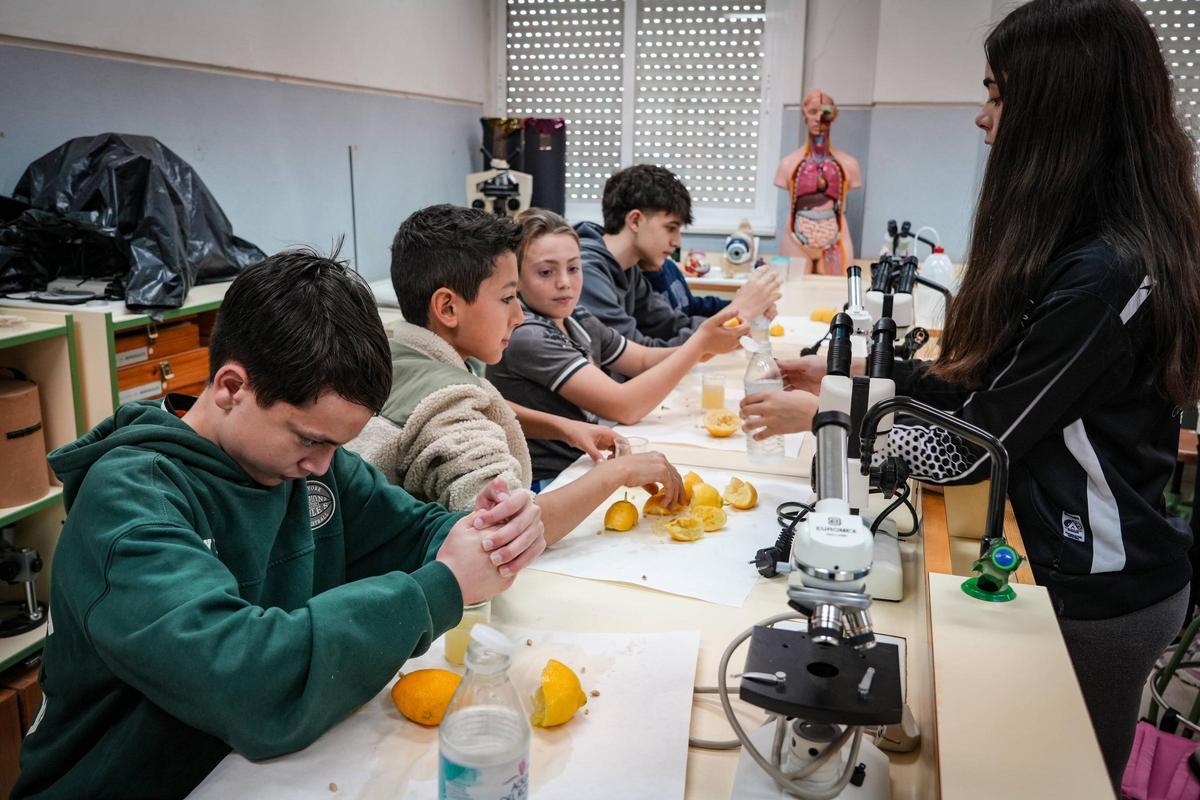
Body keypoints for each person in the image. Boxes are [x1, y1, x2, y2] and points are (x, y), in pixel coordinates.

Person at [740, 0, 1200, 788]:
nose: (982, 119)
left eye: (997, 94)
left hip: (1100, 591)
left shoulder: (1105, 274)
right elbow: (989, 381)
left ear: (1061, 107)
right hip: (1057, 562)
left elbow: (970, 446)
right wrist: (855, 380)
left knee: (1052, 782)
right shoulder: (1080, 248)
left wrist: (833, 418)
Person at [12, 249, 547, 799]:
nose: (323, 463)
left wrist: (489, 531)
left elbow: (415, 532)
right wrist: (444, 586)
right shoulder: (130, 506)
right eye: (310, 438)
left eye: (337, 443)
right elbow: (246, 680)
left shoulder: (311, 467)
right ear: (230, 387)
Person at [345, 204, 687, 540]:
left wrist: (561, 426)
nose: (519, 316)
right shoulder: (449, 410)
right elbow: (510, 530)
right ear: (448, 307)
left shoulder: (399, 355)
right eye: (508, 298)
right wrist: (618, 472)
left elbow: (477, 401)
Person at [488, 208, 746, 482]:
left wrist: (705, 347)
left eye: (573, 268)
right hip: (550, 480)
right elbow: (625, 406)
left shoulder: (577, 318)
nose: (564, 283)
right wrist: (697, 345)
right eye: (546, 272)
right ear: (515, 279)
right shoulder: (529, 335)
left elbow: (643, 360)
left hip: (583, 464)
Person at [576, 163, 780, 347]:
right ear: (635, 221)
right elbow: (638, 354)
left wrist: (738, 319)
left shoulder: (629, 271)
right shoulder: (585, 274)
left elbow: (671, 325)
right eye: (670, 228)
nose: (677, 242)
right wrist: (739, 312)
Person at [642, 254, 730, 317]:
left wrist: (732, 305)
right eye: (669, 229)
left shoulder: (669, 266)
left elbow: (692, 306)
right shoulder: (637, 281)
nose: (677, 242)